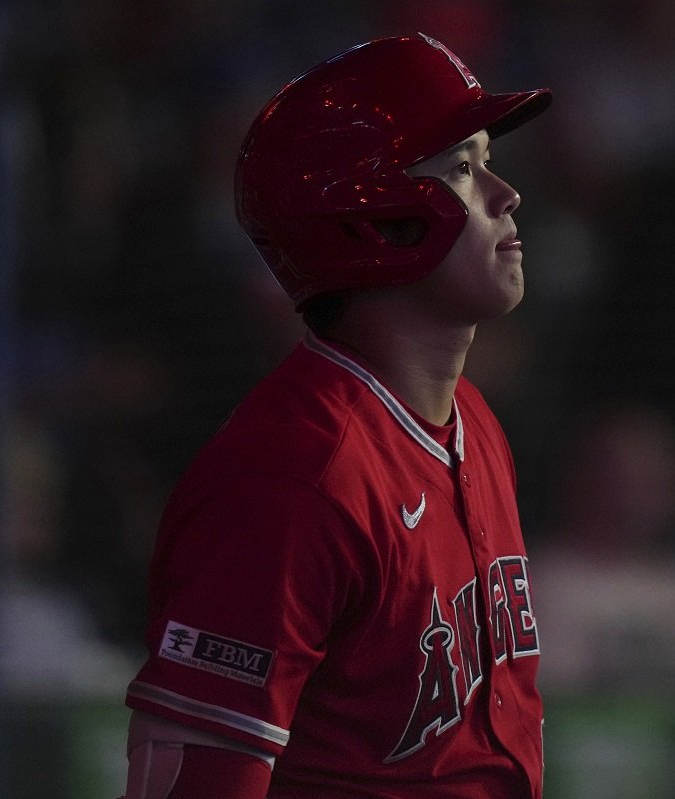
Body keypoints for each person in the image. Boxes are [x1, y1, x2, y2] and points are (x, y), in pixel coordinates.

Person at [120, 34, 551, 799]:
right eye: (460, 168)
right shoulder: (291, 476)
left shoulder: (472, 419)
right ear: (373, 216)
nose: (503, 192)